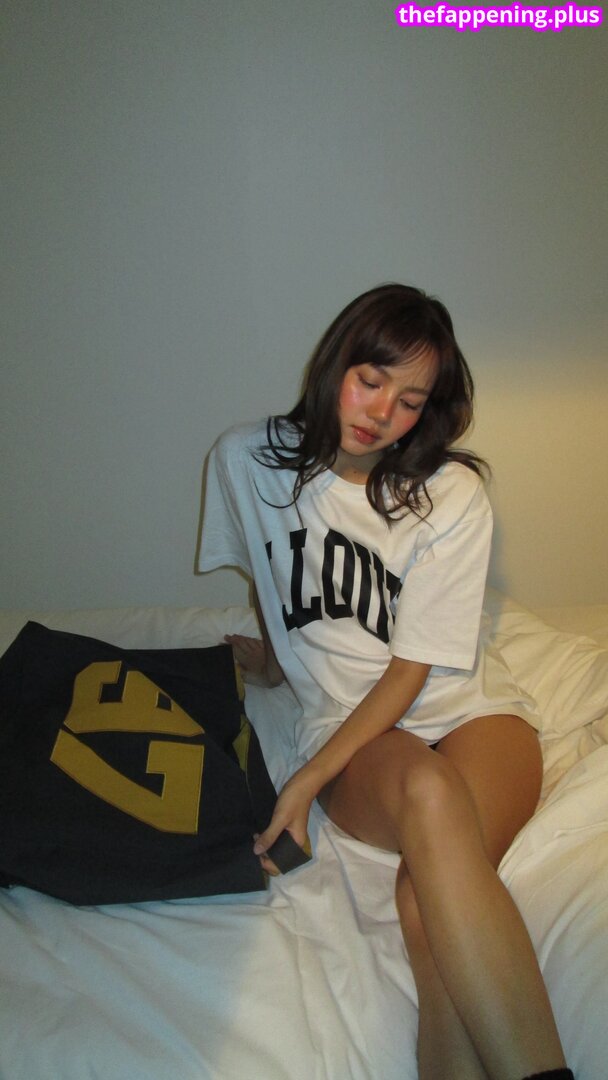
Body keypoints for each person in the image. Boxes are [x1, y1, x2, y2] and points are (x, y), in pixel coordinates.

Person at [199, 283, 573, 1080]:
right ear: (336, 362)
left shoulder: (450, 494)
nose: (382, 414)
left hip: (470, 712)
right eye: (371, 381)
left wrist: (304, 783)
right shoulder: (244, 460)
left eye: (410, 401)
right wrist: (276, 662)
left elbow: (412, 670)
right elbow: (275, 574)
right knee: (428, 796)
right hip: (352, 727)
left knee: (420, 899)